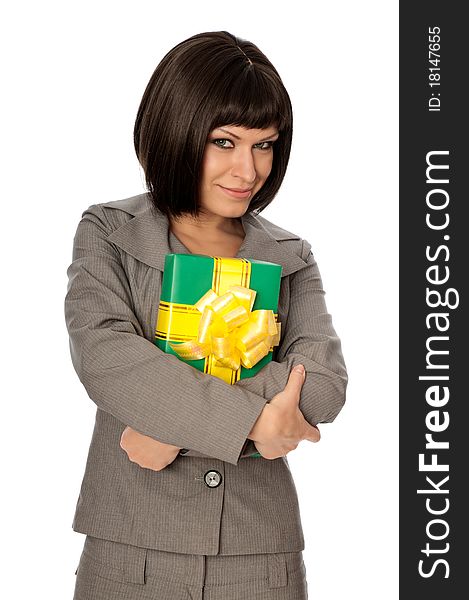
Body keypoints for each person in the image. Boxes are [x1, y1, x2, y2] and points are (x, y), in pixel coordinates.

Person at [65, 30, 348, 600]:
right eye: (224, 141)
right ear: (175, 129)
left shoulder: (290, 255)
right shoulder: (108, 233)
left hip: (259, 552)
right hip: (132, 548)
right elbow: (109, 362)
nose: (248, 169)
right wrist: (258, 423)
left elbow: (321, 391)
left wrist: (169, 424)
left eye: (264, 144)